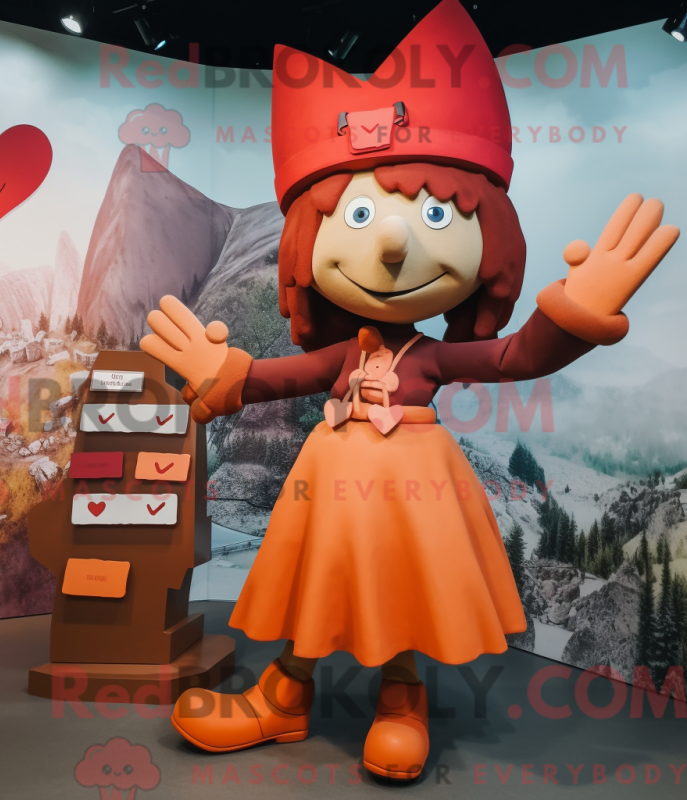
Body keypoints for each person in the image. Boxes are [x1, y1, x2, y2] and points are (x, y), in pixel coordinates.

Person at [140, 0, 679, 780]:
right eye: (358, 215)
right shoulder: (342, 355)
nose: (393, 241)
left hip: (414, 489)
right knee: (314, 581)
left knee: (400, 589)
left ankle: (401, 701)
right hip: (329, 484)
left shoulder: (430, 358)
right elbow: (274, 377)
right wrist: (224, 376)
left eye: (433, 212)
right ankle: (284, 696)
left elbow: (512, 357)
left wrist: (572, 317)